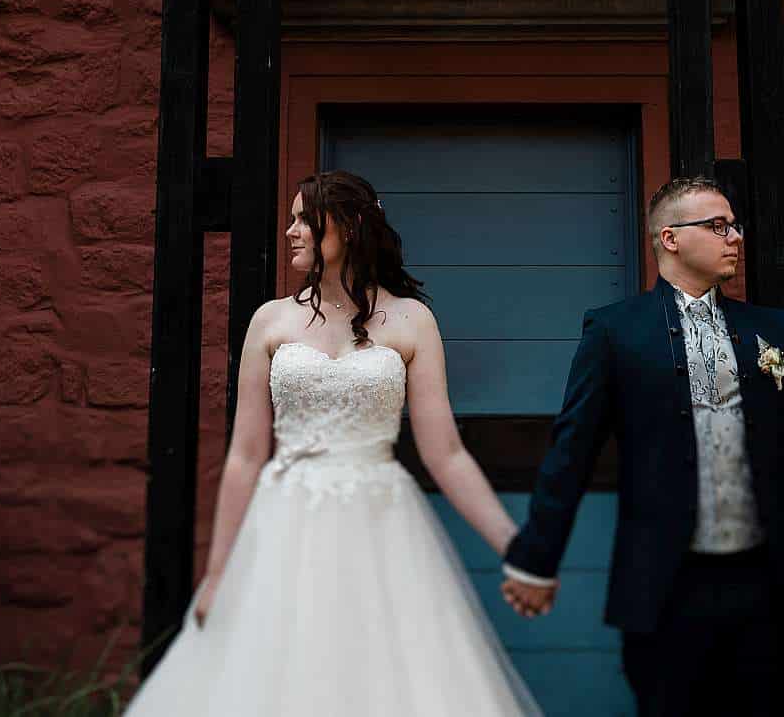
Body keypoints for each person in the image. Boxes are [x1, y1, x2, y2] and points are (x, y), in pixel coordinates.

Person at [124, 170, 539, 715]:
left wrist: (519, 547)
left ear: (348, 226)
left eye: (304, 218)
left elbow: (447, 454)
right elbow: (246, 455)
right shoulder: (270, 321)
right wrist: (219, 573)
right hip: (283, 523)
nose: (291, 231)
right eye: (292, 219)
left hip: (379, 521)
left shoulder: (412, 321)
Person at [498, 175, 784, 717]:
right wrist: (535, 561)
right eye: (718, 225)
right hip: (663, 583)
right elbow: (573, 452)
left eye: (735, 226)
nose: (735, 237)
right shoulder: (616, 331)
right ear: (670, 239)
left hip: (764, 581)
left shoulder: (771, 330)